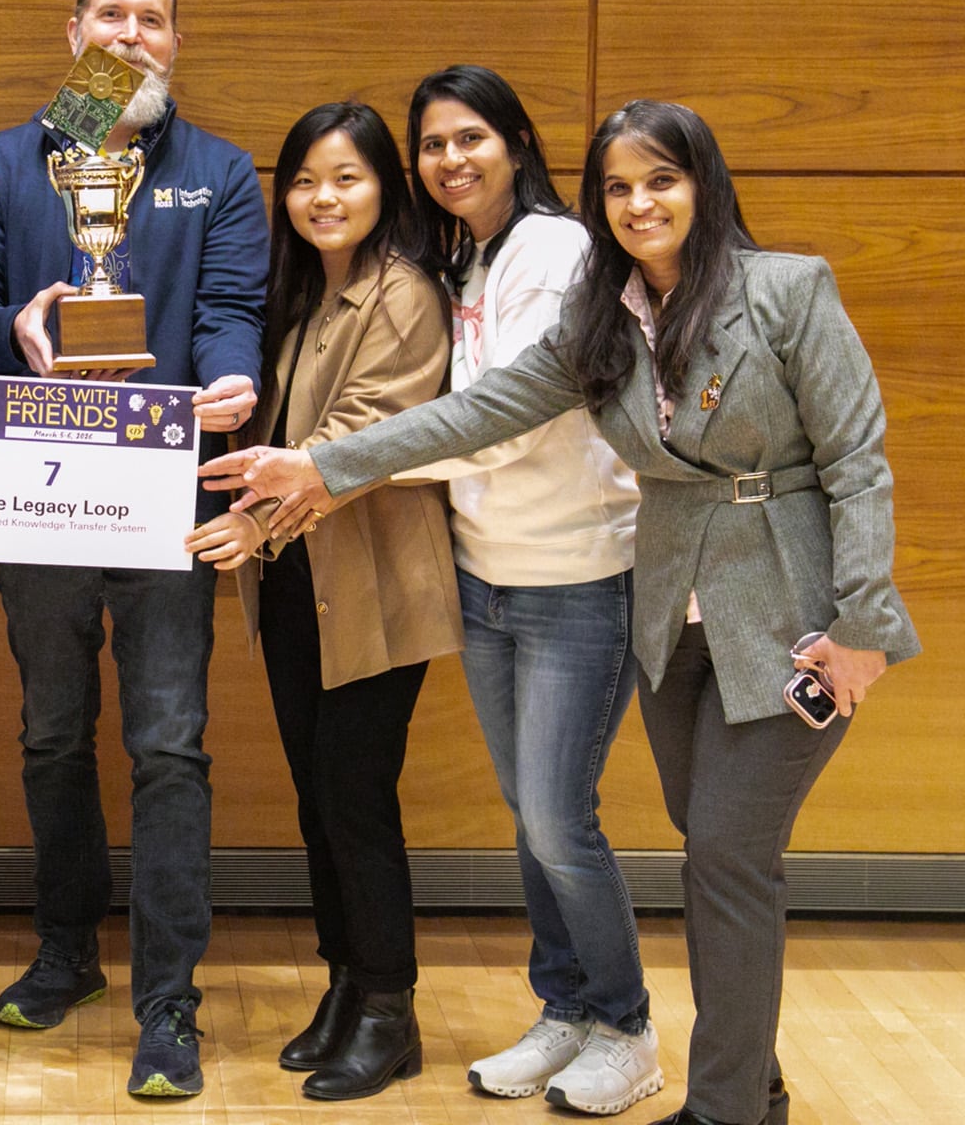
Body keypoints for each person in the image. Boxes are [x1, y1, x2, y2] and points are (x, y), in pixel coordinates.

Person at [201, 99, 920, 1125]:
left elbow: (858, 459)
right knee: (711, 849)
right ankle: (751, 1083)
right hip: (671, 615)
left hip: (795, 621)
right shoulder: (602, 318)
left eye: (661, 179)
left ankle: (718, 1101)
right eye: (619, 187)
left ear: (704, 184)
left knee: (722, 851)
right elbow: (478, 408)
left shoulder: (787, 289)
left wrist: (861, 622)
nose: (639, 203)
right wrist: (320, 461)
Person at [0, 0, 268, 1099]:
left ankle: (168, 1001)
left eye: (155, 18)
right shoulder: (0, 164)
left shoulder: (220, 172)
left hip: (167, 499)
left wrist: (233, 381)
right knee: (49, 732)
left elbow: (232, 308)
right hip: (35, 493)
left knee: (169, 743)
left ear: (176, 39)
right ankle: (67, 948)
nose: (133, 35)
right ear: (73, 26)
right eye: (113, 13)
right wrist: (13, 327)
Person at [184, 102, 461, 1101]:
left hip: (378, 586)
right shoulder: (301, 295)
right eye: (305, 179)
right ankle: (349, 985)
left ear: (384, 186)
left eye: (346, 176)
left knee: (356, 795)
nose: (323, 197)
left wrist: (256, 525)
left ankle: (389, 1002)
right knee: (319, 796)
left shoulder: (405, 294)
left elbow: (355, 438)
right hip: (301, 585)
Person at [401, 65, 658, 1114]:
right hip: (487, 577)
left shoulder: (558, 249)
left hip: (577, 580)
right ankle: (565, 1007)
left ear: (515, 141)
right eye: (432, 146)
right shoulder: (468, 257)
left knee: (561, 818)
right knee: (530, 814)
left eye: (470, 138)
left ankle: (627, 1024)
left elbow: (506, 423)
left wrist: (346, 466)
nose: (450, 160)